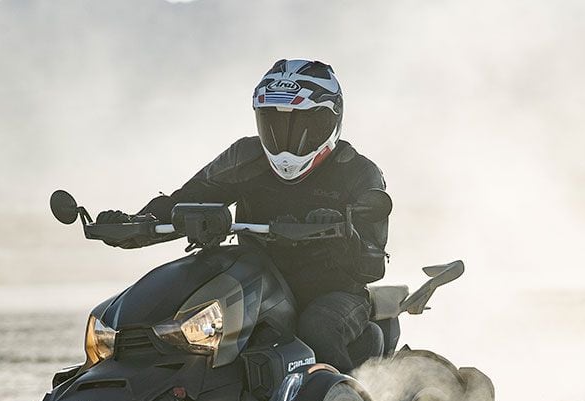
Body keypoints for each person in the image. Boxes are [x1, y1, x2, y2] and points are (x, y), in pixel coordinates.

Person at [97, 59, 390, 373]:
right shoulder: (245, 157)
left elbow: (372, 266)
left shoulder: (359, 173)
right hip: (255, 286)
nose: (287, 137)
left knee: (316, 329)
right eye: (274, 123)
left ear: (331, 119)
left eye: (302, 123)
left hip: (332, 290)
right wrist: (134, 224)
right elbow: (184, 201)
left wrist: (343, 234)